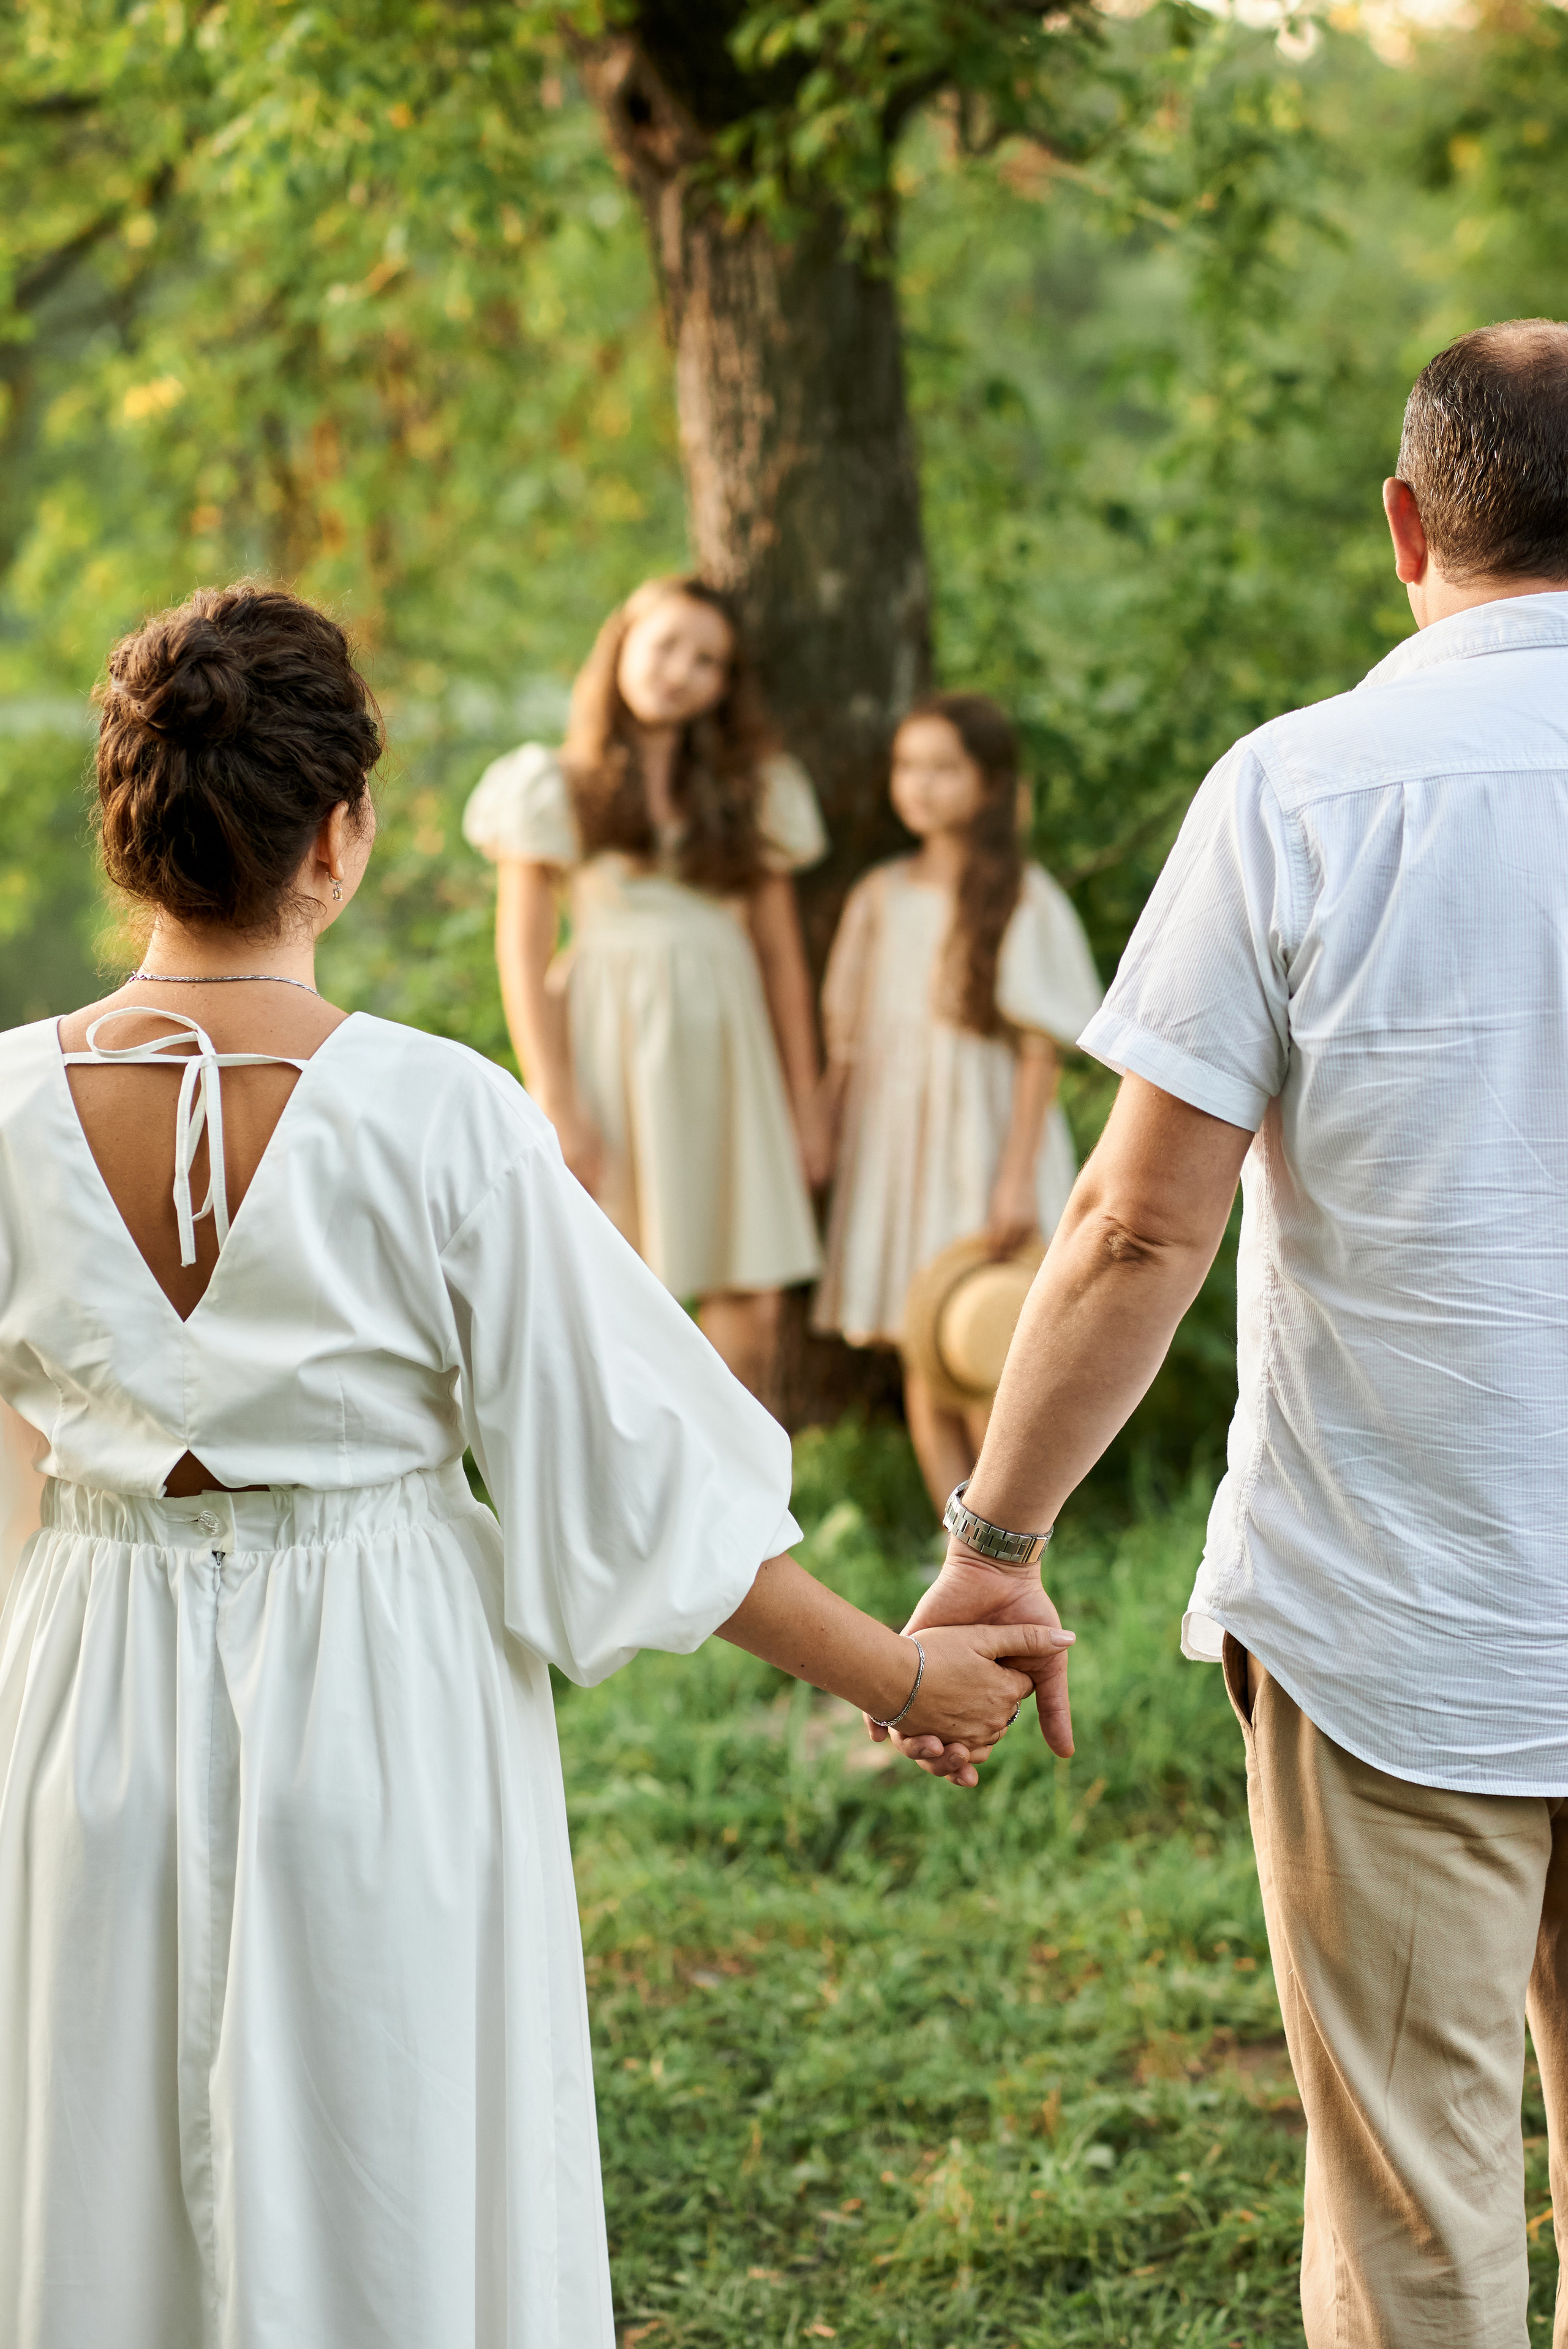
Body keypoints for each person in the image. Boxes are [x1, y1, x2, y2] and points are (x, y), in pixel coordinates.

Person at [0, 581, 1068, 2349]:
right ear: (339, 836)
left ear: (129, 835)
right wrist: (905, 1675)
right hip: (379, 1699)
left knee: (93, 2179)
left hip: (76, 1700)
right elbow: (634, 1485)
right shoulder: (441, 1114)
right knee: (388, 2171)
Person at [889, 321, 1568, 2342]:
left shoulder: (1304, 790)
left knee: (1417, 2198)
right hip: (1407, 1617)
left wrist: (993, 1546)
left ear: (1404, 526)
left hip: (1392, 1622)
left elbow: (1130, 1225)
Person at [462, 576, 828, 1404]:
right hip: (611, 1037)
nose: (681, 671)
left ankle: (737, 1508)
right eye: (665, 645)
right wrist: (554, 1093)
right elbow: (523, 947)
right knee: (625, 1281)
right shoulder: (554, 783)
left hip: (730, 1040)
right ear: (622, 644)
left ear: (727, 686)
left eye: (708, 661)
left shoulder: (753, 790)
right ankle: (645, 1510)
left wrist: (806, 1098)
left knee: (754, 1294)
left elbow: (780, 953)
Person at [810, 693, 1102, 1511]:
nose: (921, 786)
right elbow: (850, 1036)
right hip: (893, 1142)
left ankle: (1007, 1528)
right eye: (908, 767)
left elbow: (1041, 1048)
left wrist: (1014, 1180)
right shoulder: (879, 894)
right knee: (924, 1335)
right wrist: (825, 1126)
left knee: (991, 1337)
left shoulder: (1023, 895)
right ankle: (954, 1534)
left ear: (988, 784)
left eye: (944, 769)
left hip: (982, 1139)